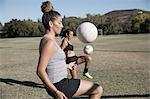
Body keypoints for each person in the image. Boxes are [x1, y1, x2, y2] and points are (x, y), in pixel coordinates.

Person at [36, 1, 103, 99]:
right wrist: (56, 91)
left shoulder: (47, 40)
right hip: (59, 85)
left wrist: (67, 65)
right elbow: (40, 71)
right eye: (59, 23)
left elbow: (52, 62)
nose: (62, 26)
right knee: (97, 89)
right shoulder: (49, 42)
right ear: (50, 23)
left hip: (60, 83)